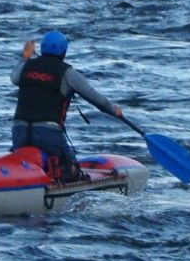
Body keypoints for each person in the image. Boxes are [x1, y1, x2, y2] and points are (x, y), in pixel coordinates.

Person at [11, 29, 124, 183]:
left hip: (19, 132)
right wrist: (113, 109)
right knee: (71, 169)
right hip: (48, 134)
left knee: (26, 158)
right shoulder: (67, 73)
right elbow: (95, 98)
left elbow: (14, 78)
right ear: (64, 51)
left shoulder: (26, 66)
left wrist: (25, 55)